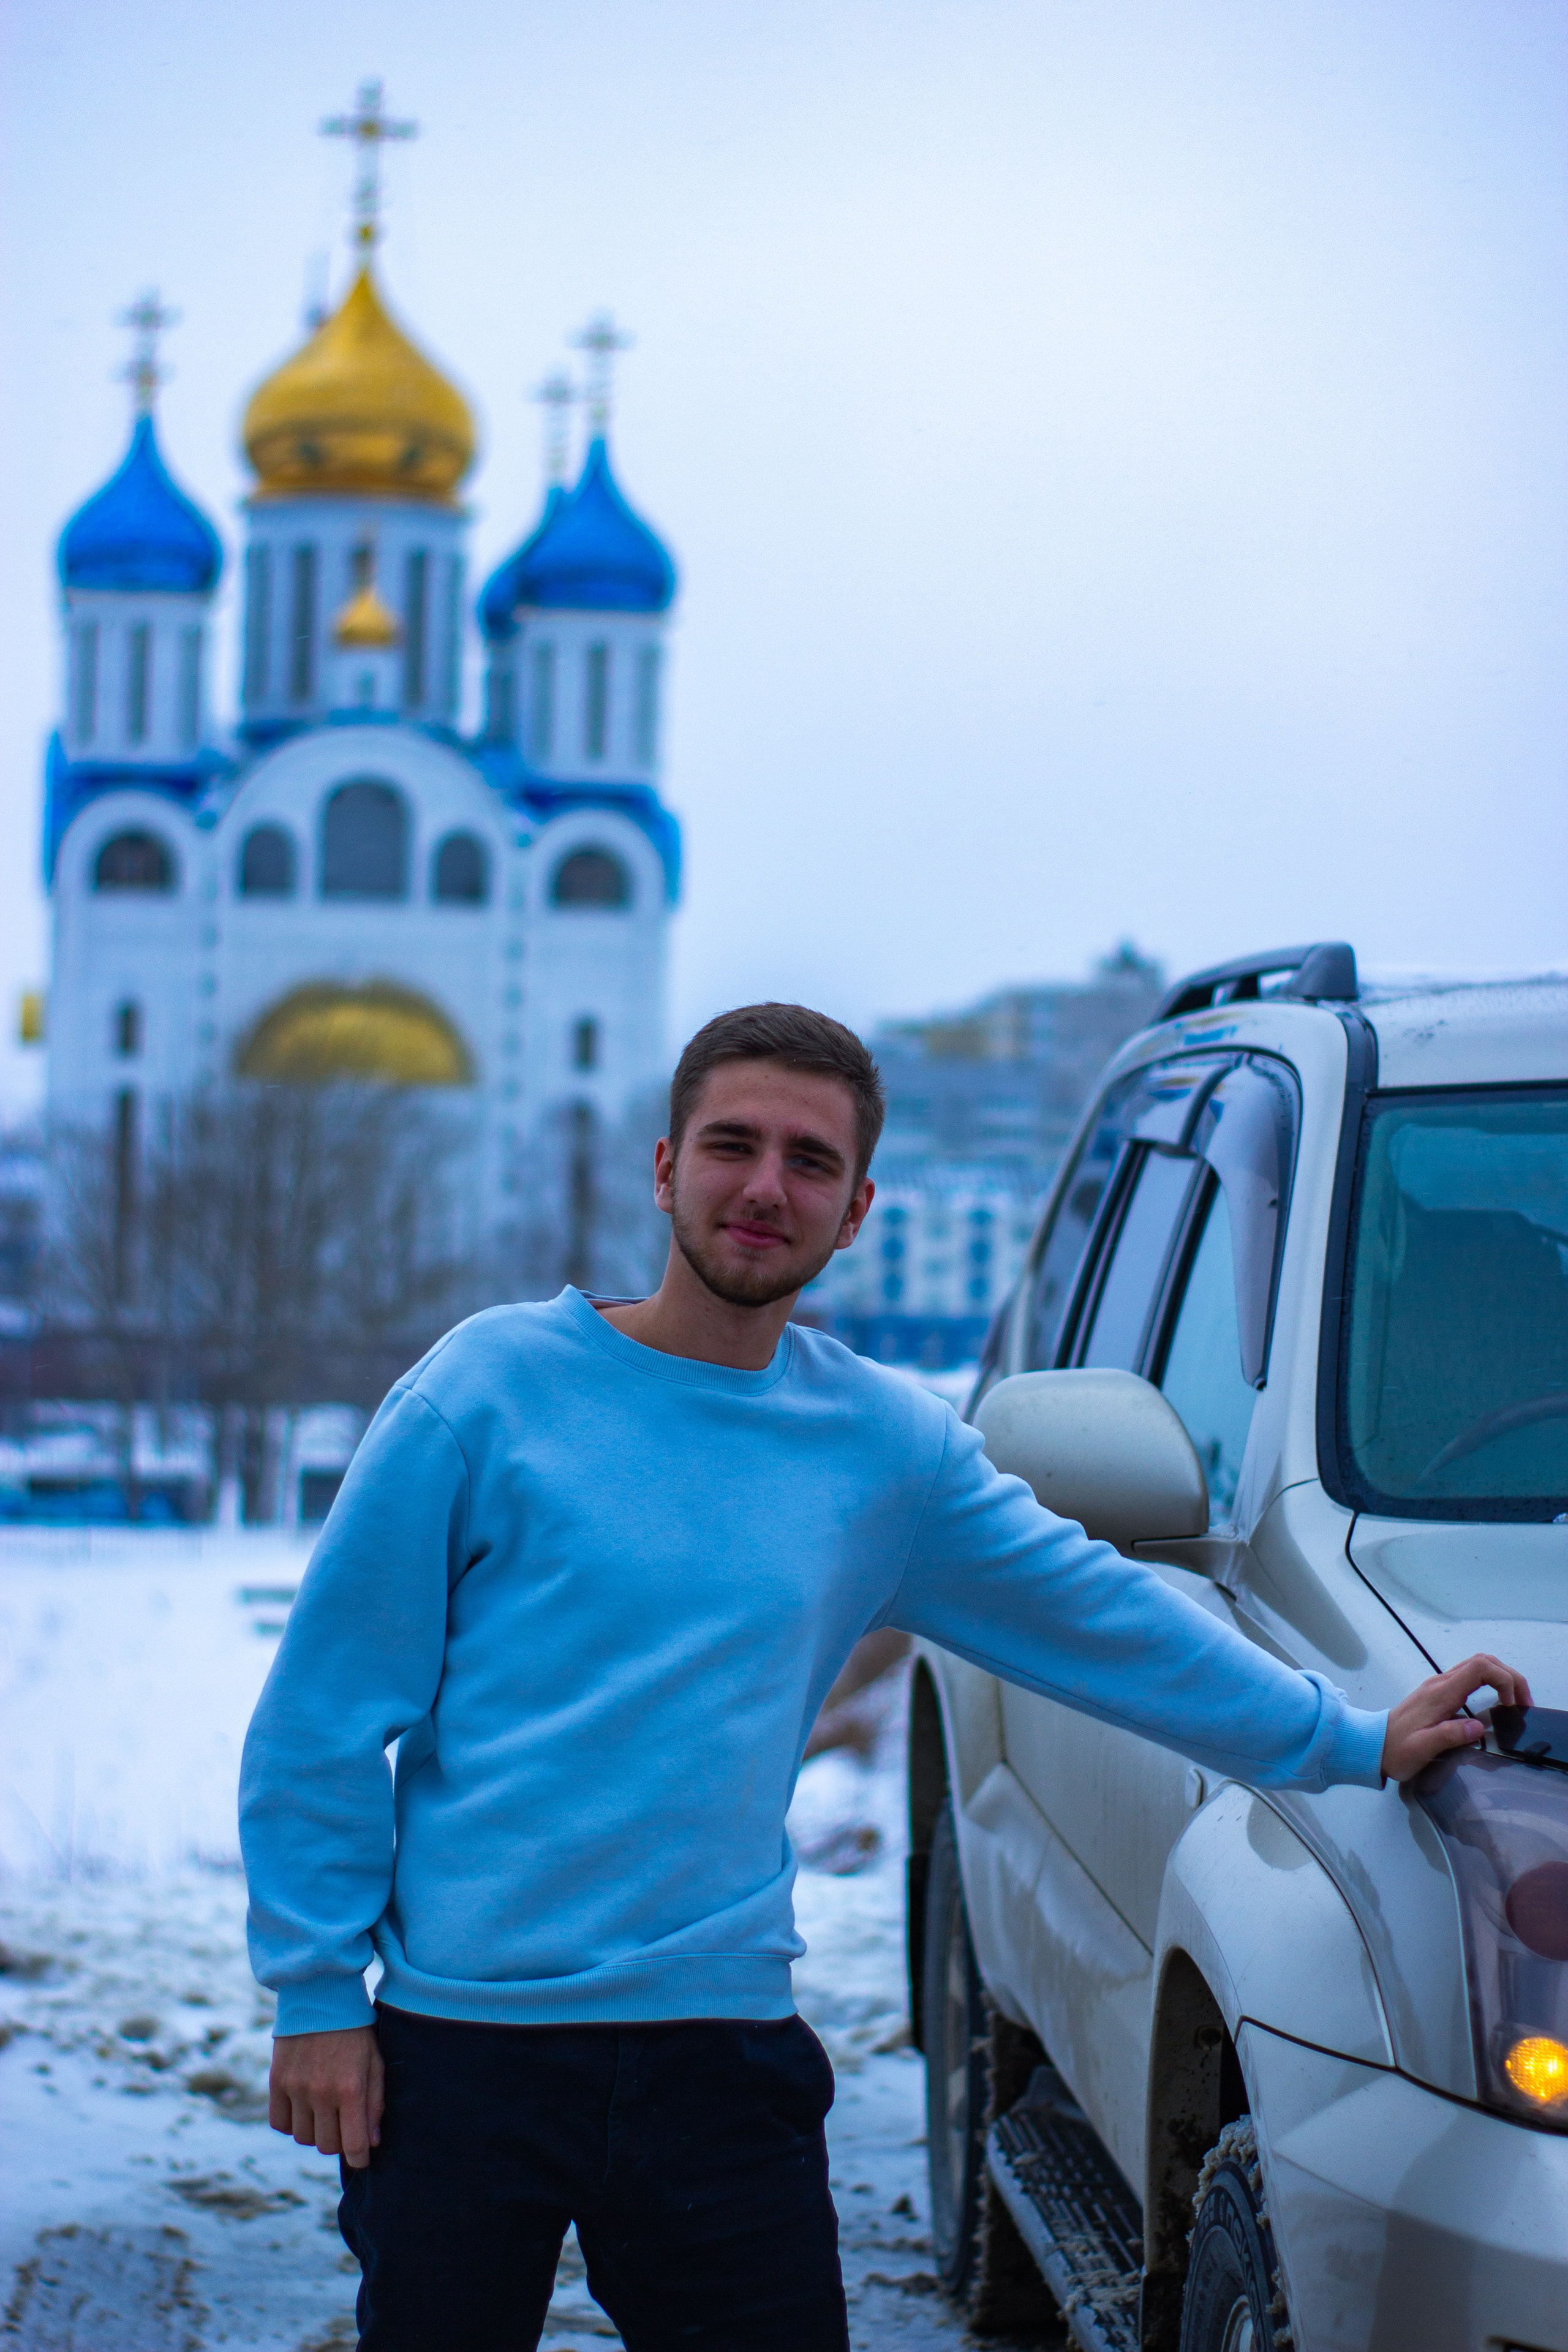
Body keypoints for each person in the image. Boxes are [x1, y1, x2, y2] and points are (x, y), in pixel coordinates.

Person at [239, 1002, 1528, 2352]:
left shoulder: (879, 1452)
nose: (762, 1187)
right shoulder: (487, 1391)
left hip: (714, 2049)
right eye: (730, 1145)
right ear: (665, 1167)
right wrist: (320, 1997)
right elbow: (324, 1719)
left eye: (807, 1162)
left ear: (853, 1211)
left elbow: (1100, 1619)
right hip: (464, 2049)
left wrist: (1347, 1735)